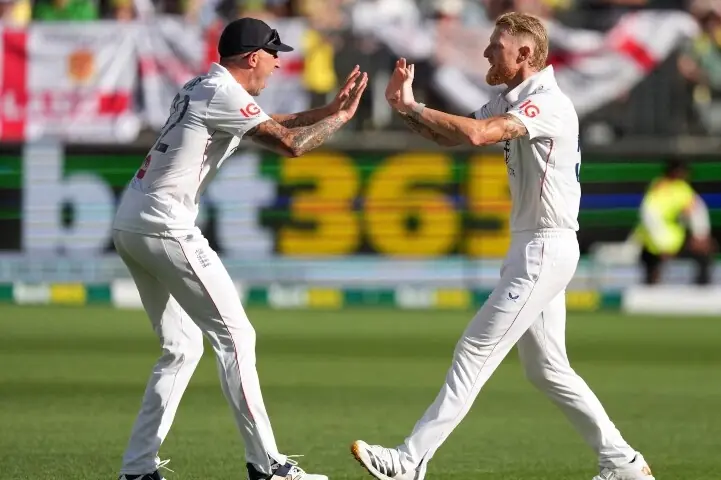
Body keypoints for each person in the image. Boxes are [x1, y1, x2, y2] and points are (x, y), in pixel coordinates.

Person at [350, 12, 655, 480]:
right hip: (534, 247)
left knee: (475, 349)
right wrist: (406, 107)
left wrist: (414, 109)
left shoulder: (547, 102)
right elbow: (454, 137)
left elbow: (476, 134)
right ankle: (623, 462)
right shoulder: (512, 98)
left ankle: (409, 460)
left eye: (497, 45)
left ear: (525, 54)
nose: (488, 52)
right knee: (547, 370)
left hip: (545, 250)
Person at [111, 17, 368, 480]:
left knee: (182, 347)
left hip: (132, 220)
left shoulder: (203, 85)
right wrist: (341, 118)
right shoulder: (223, 93)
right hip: (165, 223)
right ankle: (267, 467)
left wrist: (327, 109)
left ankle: (137, 469)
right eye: (274, 56)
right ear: (253, 57)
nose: (275, 66)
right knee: (237, 337)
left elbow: (274, 125)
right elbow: (290, 145)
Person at [633, 158, 715, 285]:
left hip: (677, 239)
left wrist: (700, 236)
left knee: (705, 252)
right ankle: (650, 288)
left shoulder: (683, 189)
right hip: (655, 242)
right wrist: (663, 244)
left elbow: (696, 212)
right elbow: (650, 216)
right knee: (649, 259)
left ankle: (702, 290)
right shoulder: (658, 189)